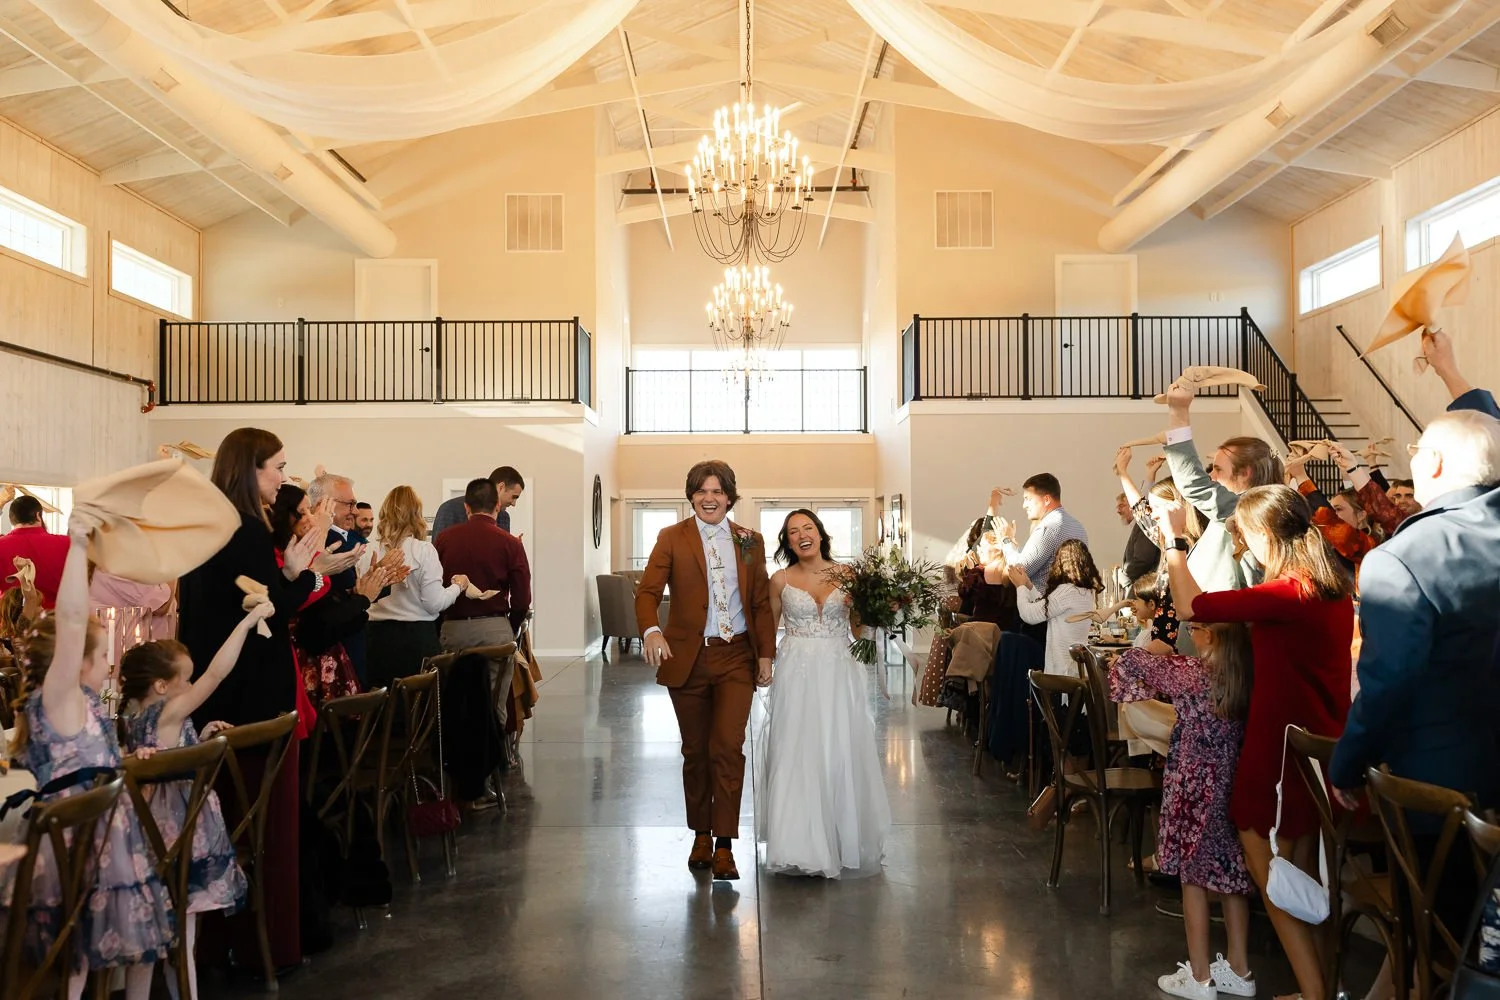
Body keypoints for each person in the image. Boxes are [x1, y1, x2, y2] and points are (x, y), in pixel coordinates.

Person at [1156, 485, 1354, 1000]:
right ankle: (1323, 988)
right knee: (1305, 881)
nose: (1242, 547)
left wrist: (1175, 539)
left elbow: (1190, 606)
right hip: (1320, 751)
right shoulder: (1332, 590)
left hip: (1280, 757)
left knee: (1273, 879)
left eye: (1243, 536)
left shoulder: (1289, 593)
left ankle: (1315, 992)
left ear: (1265, 533)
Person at [177, 428, 357, 975]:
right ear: (248, 468)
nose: (283, 477)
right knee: (264, 828)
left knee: (230, 822)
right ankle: (267, 945)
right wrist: (297, 576)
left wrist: (288, 574)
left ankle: (222, 946)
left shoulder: (213, 524)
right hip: (251, 692)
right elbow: (266, 614)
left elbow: (249, 603)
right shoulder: (247, 530)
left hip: (224, 688)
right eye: (276, 466)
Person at [1329, 407, 1500, 963]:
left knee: (1441, 948)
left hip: (1444, 790)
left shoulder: (1403, 556)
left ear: (1435, 464)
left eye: (1416, 451)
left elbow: (1389, 679)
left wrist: (1348, 762)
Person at [0, 517, 173, 999]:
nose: (108, 662)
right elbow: (74, 618)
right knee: (74, 956)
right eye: (100, 657)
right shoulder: (62, 701)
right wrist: (77, 546)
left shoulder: (90, 706)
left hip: (110, 843)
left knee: (136, 950)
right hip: (75, 848)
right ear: (75, 662)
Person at [119, 608, 272, 1000]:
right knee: (182, 936)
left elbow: (167, 752)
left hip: (145, 837)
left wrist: (198, 737)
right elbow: (218, 674)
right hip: (182, 836)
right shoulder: (170, 710)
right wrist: (245, 622)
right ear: (161, 686)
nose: (191, 686)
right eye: (185, 680)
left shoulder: (131, 714)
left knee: (149, 941)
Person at [635, 460, 776, 882]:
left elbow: (761, 603)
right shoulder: (671, 537)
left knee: (727, 749)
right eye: (701, 491)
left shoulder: (750, 541)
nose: (709, 498)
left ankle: (725, 845)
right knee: (695, 752)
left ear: (730, 497)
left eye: (717, 491)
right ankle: (700, 833)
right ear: (691, 496)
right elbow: (646, 593)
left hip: (735, 657)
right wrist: (652, 631)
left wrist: (766, 654)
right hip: (689, 661)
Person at [1111, 622, 1256, 1000]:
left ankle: (1199, 975)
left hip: (1192, 783)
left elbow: (1127, 666)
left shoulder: (1190, 673)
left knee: (1192, 877)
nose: (1191, 632)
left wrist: (1156, 656)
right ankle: (1240, 969)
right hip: (1233, 782)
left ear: (1210, 635)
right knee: (1231, 872)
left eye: (1196, 627)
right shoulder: (1247, 675)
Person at [758, 510, 890, 877]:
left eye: (808, 528)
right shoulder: (780, 579)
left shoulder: (848, 576)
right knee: (797, 748)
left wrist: (873, 612)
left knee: (837, 747)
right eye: (793, 532)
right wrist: (764, 662)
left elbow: (860, 630)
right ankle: (798, 844)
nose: (802, 535)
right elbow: (769, 627)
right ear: (787, 541)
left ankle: (838, 835)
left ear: (820, 533)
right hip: (797, 669)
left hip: (837, 668)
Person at [1161, 381, 1285, 586]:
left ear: (1245, 473)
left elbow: (1194, 485)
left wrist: (1179, 412)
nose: (1212, 477)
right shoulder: (1245, 507)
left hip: (1225, 615)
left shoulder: (1246, 509)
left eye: (1218, 470)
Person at [434, 478, 531, 733]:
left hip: (454, 628)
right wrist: (508, 626)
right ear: (497, 507)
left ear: (467, 508)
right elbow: (522, 599)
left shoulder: (444, 540)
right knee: (495, 701)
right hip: (495, 630)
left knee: (455, 697)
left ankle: (454, 761)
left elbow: (434, 587)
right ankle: (497, 760)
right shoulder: (510, 543)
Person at [362, 486, 465, 690]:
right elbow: (434, 604)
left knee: (381, 704)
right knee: (418, 709)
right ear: (416, 515)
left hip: (376, 637)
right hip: (416, 638)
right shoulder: (423, 550)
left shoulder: (368, 550)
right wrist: (458, 587)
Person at [1011, 538, 1103, 677]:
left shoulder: (1067, 591)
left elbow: (1029, 615)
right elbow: (1047, 606)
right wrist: (1029, 585)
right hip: (1076, 669)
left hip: (1062, 671)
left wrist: (1020, 587)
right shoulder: (1086, 591)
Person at [996, 473, 1088, 590]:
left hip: (1046, 604)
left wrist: (1006, 540)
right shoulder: (1078, 526)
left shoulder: (1048, 528)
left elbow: (1018, 572)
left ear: (1046, 499)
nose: (1024, 505)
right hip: (1074, 603)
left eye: (1028, 499)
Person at [0, 494, 69, 608]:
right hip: (55, 619)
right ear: (38, 515)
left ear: (12, 519)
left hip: (12, 621)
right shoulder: (67, 543)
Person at [432, 466, 525, 538]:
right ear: (501, 487)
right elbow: (437, 554)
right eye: (514, 497)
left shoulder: (504, 517)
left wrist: (512, 547)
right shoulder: (450, 509)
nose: (513, 504)